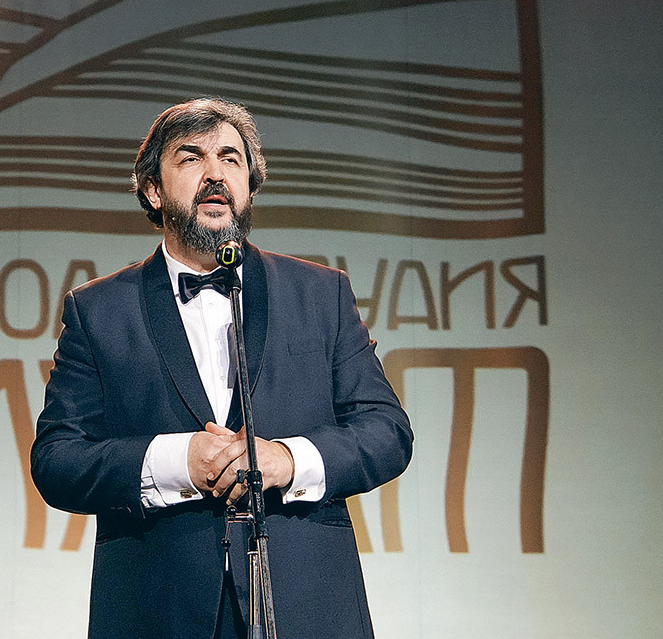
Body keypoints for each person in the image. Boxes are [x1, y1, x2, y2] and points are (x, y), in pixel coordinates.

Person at [31, 98, 413, 638]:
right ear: (153, 190)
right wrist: (176, 461)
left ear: (249, 185)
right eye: (192, 158)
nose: (215, 174)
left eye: (231, 159)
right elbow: (57, 460)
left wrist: (288, 460)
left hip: (306, 605)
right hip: (157, 611)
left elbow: (387, 432)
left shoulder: (320, 294)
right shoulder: (98, 310)